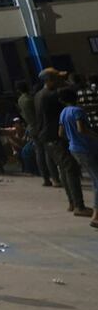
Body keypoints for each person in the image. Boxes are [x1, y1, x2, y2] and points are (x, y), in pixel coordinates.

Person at [58, 87, 98, 228]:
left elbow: (60, 133)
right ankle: (96, 216)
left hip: (74, 148)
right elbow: (82, 129)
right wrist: (95, 136)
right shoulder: (78, 111)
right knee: (97, 181)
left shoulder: (63, 112)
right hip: (85, 148)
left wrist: (72, 137)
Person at [35, 68, 75, 206]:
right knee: (70, 167)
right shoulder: (51, 95)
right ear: (50, 80)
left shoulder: (39, 94)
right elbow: (71, 91)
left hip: (47, 135)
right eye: (57, 78)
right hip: (54, 136)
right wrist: (66, 80)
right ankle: (77, 205)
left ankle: (73, 203)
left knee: (64, 167)